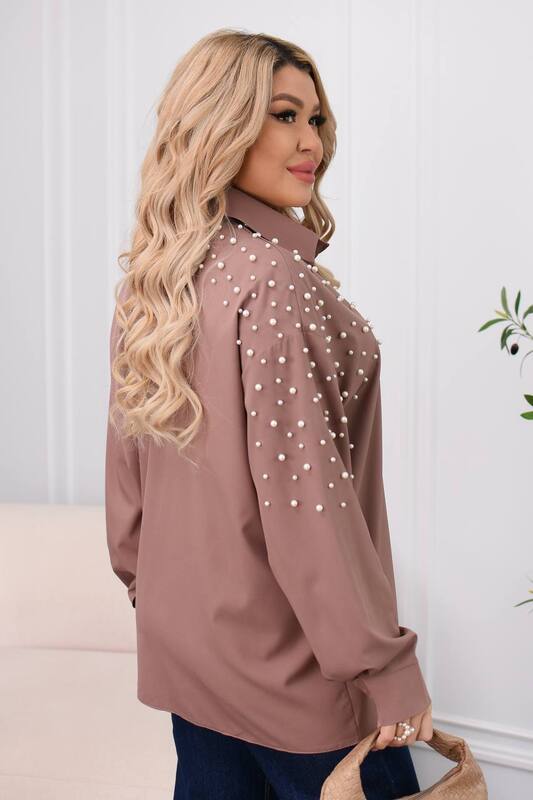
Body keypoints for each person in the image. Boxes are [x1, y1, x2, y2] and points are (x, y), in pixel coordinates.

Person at [104, 28, 433, 800]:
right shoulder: (274, 285)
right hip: (295, 679)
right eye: (282, 115)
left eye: (314, 118)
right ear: (220, 124)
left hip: (194, 658)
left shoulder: (157, 279)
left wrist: (166, 600)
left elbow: (128, 491)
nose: (309, 140)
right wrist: (384, 669)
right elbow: (308, 507)